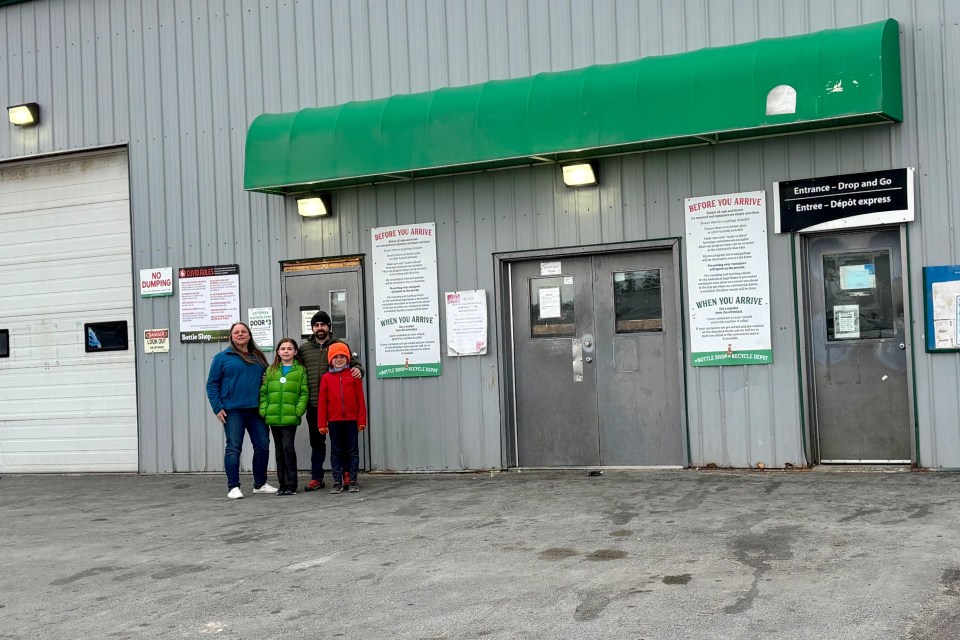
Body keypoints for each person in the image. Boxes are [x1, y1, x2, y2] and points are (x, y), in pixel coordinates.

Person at [205, 322, 279, 499]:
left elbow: (267, 379)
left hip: (256, 410)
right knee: (233, 448)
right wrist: (217, 407)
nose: (240, 334)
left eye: (243, 331)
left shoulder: (258, 357)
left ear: (249, 335)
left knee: (262, 446)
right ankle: (233, 487)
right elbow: (212, 384)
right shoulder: (222, 358)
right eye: (236, 332)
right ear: (231, 336)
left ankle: (260, 484)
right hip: (233, 410)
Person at [299, 310, 363, 491]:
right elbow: (292, 366)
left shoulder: (340, 345)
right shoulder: (304, 349)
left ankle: (346, 475)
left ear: (329, 326)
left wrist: (359, 370)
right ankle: (317, 478)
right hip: (314, 403)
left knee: (343, 443)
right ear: (312, 328)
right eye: (316, 325)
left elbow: (354, 364)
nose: (320, 328)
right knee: (317, 442)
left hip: (338, 406)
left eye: (323, 325)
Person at [259, 338, 309, 496]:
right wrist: (264, 410)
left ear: (295, 351)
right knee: (279, 451)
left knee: (288, 448)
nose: (286, 351)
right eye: (283, 349)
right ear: (278, 352)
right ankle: (282, 484)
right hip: (273, 416)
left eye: (289, 348)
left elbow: (304, 393)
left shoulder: (300, 370)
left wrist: (298, 410)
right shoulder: (271, 370)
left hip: (290, 417)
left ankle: (291, 484)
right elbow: (263, 392)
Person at [318, 343, 367, 493]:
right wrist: (322, 423)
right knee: (336, 451)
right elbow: (322, 402)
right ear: (330, 360)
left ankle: (352, 480)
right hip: (334, 421)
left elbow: (360, 400)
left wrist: (362, 420)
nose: (339, 360)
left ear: (347, 359)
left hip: (352, 420)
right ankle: (337, 481)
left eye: (342, 357)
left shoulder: (354, 376)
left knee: (352, 451)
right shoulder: (326, 378)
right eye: (335, 357)